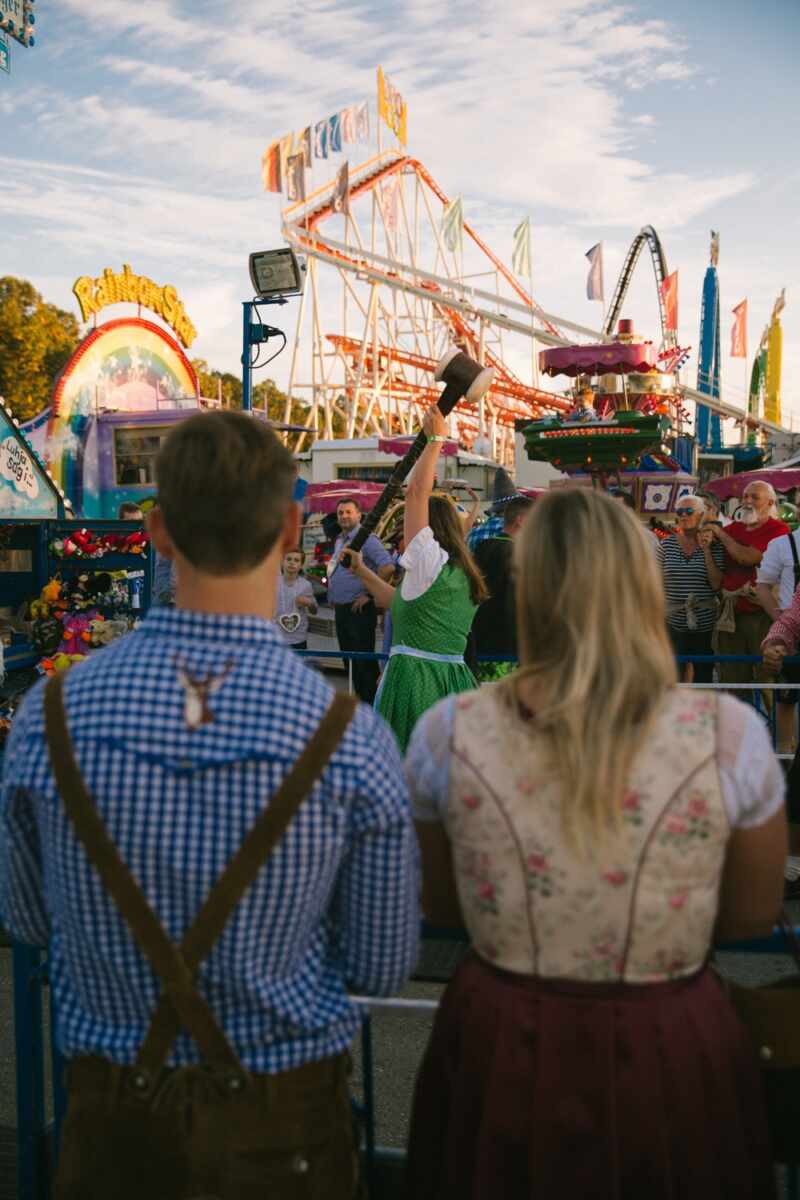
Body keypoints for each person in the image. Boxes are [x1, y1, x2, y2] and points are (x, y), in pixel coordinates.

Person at [0, 411, 419, 1200]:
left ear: (158, 530)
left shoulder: (48, 717)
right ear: (293, 526)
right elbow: (381, 963)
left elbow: (25, 920)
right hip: (285, 1123)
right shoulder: (349, 737)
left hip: (111, 1116)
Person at [404, 487, 784, 1200]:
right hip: (671, 1034)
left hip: (503, 1035)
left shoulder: (449, 732)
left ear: (531, 586)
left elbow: (445, 906)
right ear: (641, 584)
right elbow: (750, 917)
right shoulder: (730, 738)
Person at [347, 405, 487, 751]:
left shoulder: (429, 560)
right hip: (454, 681)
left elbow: (415, 495)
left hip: (415, 681)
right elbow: (398, 604)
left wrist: (435, 440)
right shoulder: (461, 572)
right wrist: (361, 570)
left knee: (408, 766)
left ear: (431, 530)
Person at [710, 480, 789, 703]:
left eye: (755, 497)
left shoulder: (778, 529)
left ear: (771, 502)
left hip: (762, 614)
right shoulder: (732, 529)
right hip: (731, 616)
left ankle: (776, 734)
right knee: (732, 680)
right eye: (745, 496)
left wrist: (721, 534)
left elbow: (748, 557)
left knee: (767, 679)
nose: (747, 501)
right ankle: (742, 734)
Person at [326, 498, 394, 704]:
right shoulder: (340, 540)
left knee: (363, 664)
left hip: (359, 611)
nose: (344, 516)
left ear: (358, 515)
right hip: (342, 609)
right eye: (340, 513)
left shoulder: (366, 539)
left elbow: (388, 567)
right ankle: (359, 706)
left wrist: (370, 596)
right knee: (350, 662)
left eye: (348, 512)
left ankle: (372, 707)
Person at [659, 494, 724, 683]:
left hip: (705, 625)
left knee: (703, 677)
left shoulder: (715, 546)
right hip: (672, 622)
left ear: (701, 515)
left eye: (689, 511)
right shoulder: (666, 544)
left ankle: (700, 712)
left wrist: (706, 550)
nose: (684, 515)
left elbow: (716, 583)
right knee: (672, 677)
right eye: (680, 512)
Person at [471, 495, 533, 682]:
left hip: (478, 648)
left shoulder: (480, 549)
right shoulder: (519, 556)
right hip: (510, 651)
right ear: (521, 521)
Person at [275, 547, 317, 651]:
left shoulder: (306, 585)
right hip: (277, 636)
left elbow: (314, 611)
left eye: (296, 560)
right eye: (288, 559)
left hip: (298, 637)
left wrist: (309, 603)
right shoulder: (272, 583)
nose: (292, 563)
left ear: (301, 565)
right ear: (282, 562)